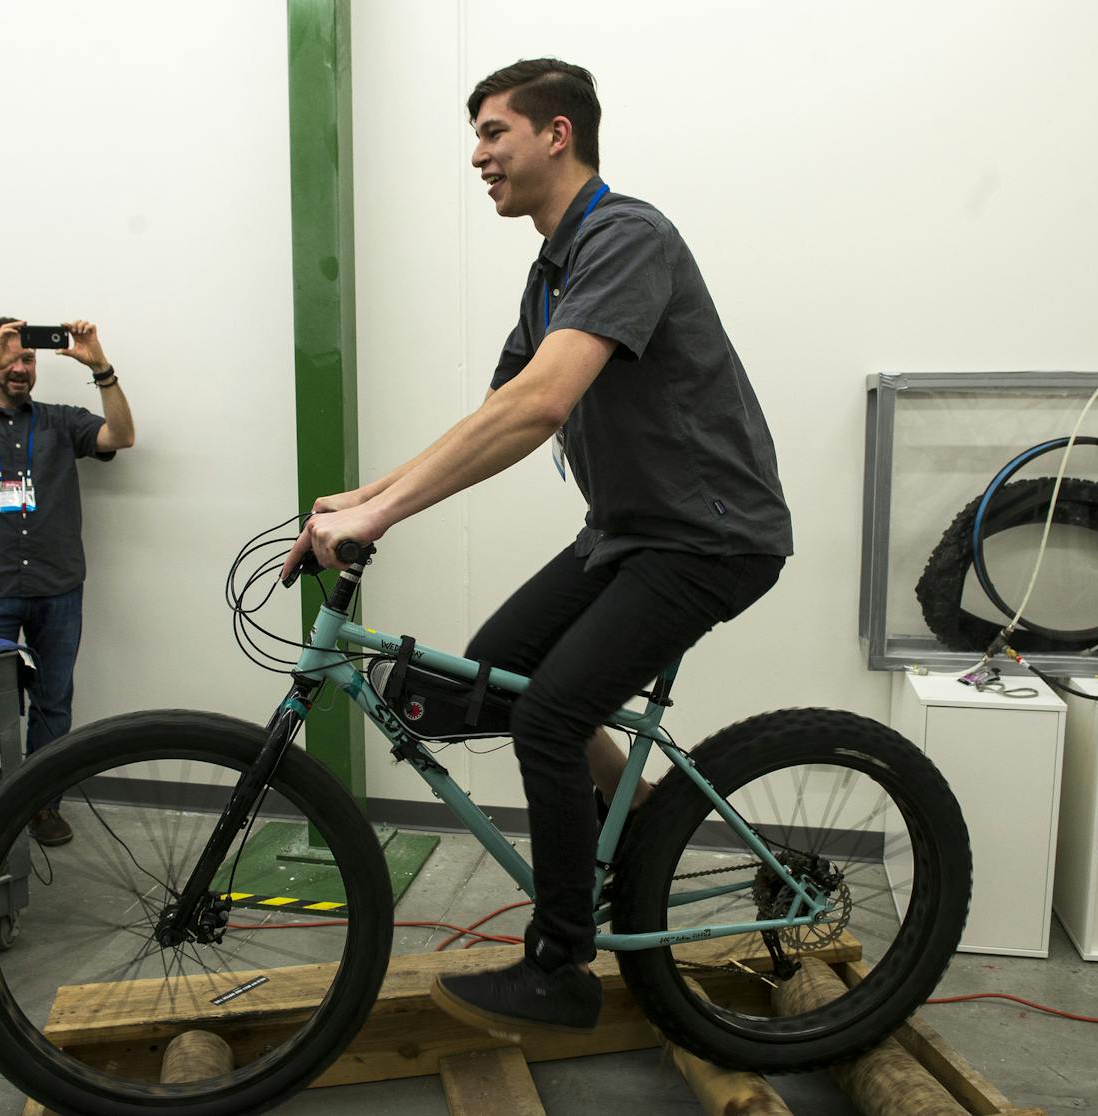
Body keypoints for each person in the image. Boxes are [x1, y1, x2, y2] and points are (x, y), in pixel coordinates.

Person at [280, 59, 792, 1038]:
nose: (475, 157)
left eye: (490, 134)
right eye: (473, 138)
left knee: (546, 720)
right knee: (497, 677)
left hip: (709, 539)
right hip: (625, 535)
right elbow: (495, 418)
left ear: (556, 134)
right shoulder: (550, 267)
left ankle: (561, 966)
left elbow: (543, 401)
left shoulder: (625, 237)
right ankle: (637, 816)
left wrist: (377, 515)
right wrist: (365, 495)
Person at [0, 317, 135, 845]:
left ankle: (41, 807)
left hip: (56, 587)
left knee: (52, 703)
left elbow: (121, 436)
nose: (20, 368)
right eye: (9, 358)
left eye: (28, 360)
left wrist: (101, 368)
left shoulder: (60, 421)